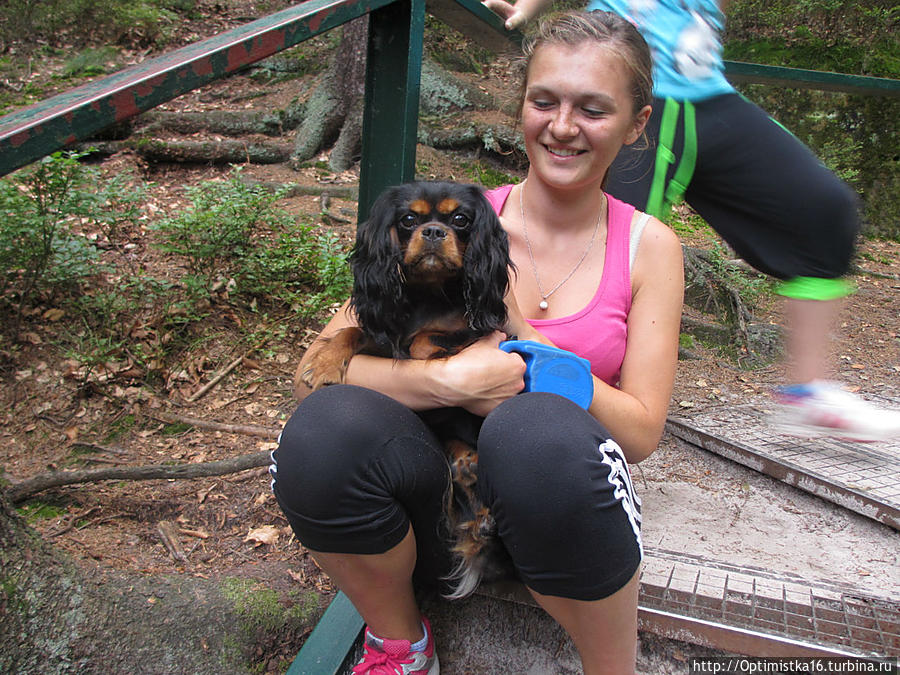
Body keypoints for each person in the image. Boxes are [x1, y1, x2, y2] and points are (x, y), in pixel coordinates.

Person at [271, 11, 683, 674]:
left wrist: (528, 346)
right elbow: (311, 373)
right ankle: (400, 645)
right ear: (521, 105)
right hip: (440, 503)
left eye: (593, 108)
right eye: (543, 100)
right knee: (319, 431)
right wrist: (450, 382)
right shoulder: (457, 214)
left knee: (534, 428)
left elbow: (639, 432)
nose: (562, 126)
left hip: (561, 512)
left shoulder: (649, 247)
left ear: (637, 123)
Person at [484, 0, 900, 442]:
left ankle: (810, 390)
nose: (561, 124)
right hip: (619, 67)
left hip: (702, 87)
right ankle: (540, 407)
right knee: (586, 238)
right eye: (544, 102)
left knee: (824, 205)